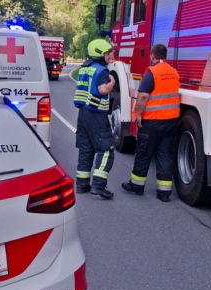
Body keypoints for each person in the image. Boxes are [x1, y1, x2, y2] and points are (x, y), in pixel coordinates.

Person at [122, 44, 180, 202]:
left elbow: (143, 97)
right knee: (164, 155)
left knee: (144, 153)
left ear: (153, 56)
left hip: (152, 122)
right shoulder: (174, 72)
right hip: (171, 122)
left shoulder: (152, 72)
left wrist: (138, 114)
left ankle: (137, 185)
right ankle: (164, 192)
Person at [73, 38, 117, 199]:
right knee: (107, 149)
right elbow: (103, 90)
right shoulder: (101, 71)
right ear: (99, 54)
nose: (110, 57)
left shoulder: (85, 68)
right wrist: (112, 81)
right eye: (107, 54)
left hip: (83, 113)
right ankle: (99, 185)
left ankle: (82, 184)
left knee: (86, 149)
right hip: (96, 114)